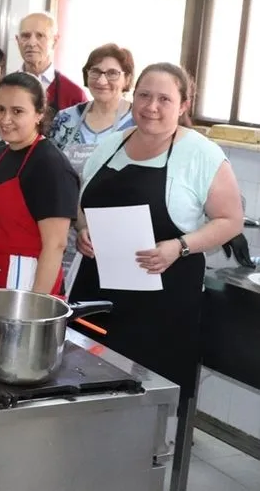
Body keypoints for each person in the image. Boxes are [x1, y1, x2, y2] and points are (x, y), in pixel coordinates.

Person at [70, 64, 243, 454]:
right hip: (100, 292)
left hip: (164, 302)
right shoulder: (110, 145)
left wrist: (178, 247)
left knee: (146, 400)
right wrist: (83, 232)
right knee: (89, 385)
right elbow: (84, 208)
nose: (151, 106)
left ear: (183, 104)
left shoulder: (200, 154)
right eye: (144, 95)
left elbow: (229, 220)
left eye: (164, 98)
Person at [0, 73, 80, 294]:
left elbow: (56, 245)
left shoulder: (50, 165)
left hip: (28, 283)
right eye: (0, 109)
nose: (5, 119)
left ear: (39, 114)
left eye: (17, 111)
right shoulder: (1, 155)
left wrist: (35, 306)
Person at [47, 43, 136, 291]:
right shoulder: (66, 119)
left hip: (117, 233)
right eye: (95, 71)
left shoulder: (137, 123)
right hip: (66, 226)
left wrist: (97, 227)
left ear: (127, 78)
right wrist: (82, 223)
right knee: (64, 301)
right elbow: (53, 176)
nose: (102, 80)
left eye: (112, 73)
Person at [16, 12, 86, 120]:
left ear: (55, 41)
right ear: (17, 40)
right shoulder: (4, 89)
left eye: (40, 36)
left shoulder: (74, 95)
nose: (32, 43)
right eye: (25, 36)